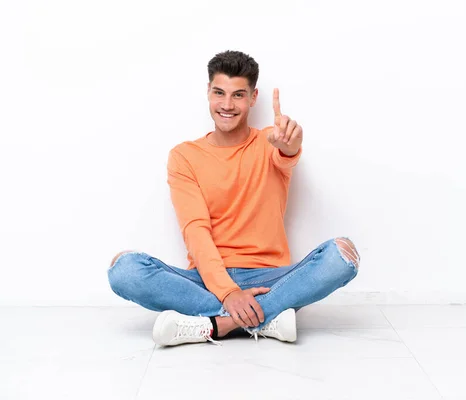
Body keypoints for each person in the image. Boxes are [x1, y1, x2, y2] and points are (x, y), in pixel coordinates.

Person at [107, 50, 360, 347]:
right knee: (124, 269)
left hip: (270, 280)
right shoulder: (184, 156)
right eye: (219, 93)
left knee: (343, 255)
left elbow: (286, 153)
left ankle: (216, 325)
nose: (227, 105)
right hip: (207, 281)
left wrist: (292, 145)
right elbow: (195, 230)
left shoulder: (271, 141)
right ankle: (264, 320)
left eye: (238, 95)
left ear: (253, 98)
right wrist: (228, 292)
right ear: (208, 93)